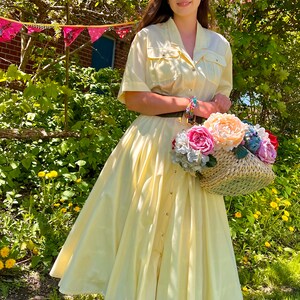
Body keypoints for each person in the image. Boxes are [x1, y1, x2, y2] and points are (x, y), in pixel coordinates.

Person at [50, 0, 243, 299]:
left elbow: (223, 92)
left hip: (200, 149)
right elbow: (134, 98)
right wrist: (188, 103)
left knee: (189, 232)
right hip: (152, 144)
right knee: (143, 225)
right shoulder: (149, 37)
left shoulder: (220, 45)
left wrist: (220, 103)